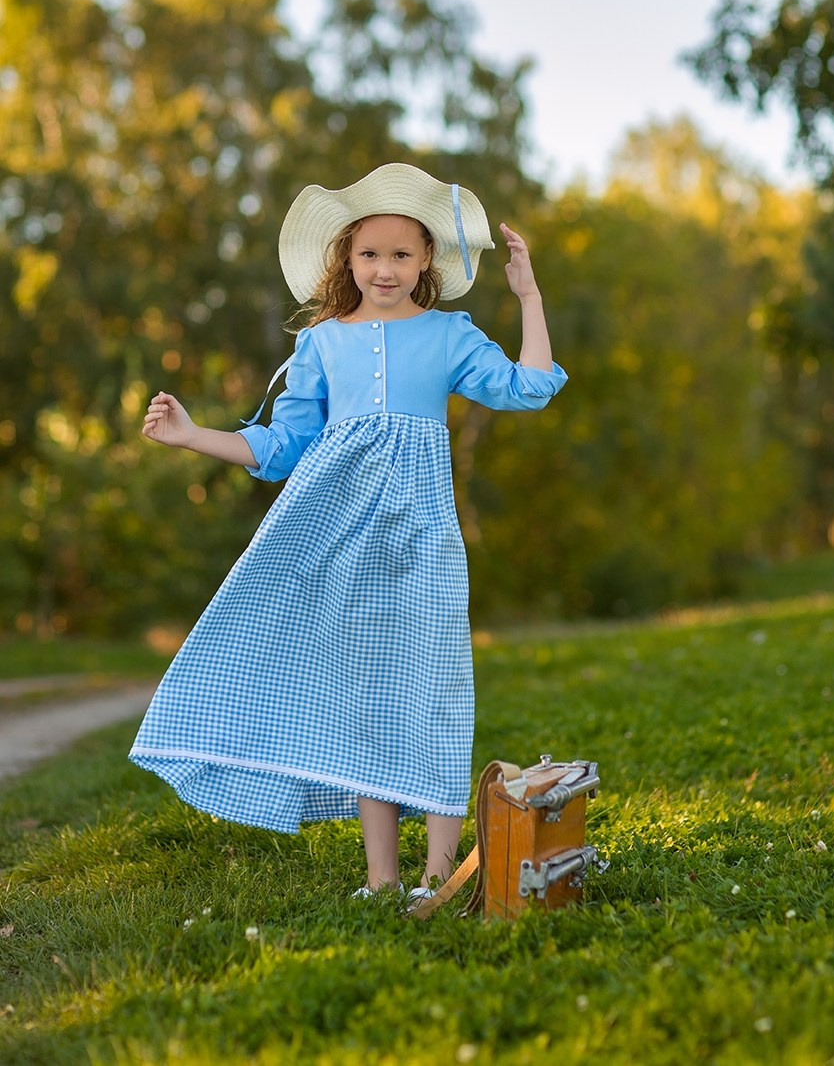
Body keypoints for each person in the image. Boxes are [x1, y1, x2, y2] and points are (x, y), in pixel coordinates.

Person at [129, 162, 567, 905]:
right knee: (366, 697)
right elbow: (279, 449)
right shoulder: (323, 343)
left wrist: (528, 296)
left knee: (433, 690)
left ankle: (437, 876)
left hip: (422, 539)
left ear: (427, 259)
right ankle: (382, 880)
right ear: (346, 258)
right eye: (370, 254)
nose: (385, 268)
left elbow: (528, 385)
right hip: (337, 543)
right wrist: (192, 434)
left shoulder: (448, 335)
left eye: (401, 254)